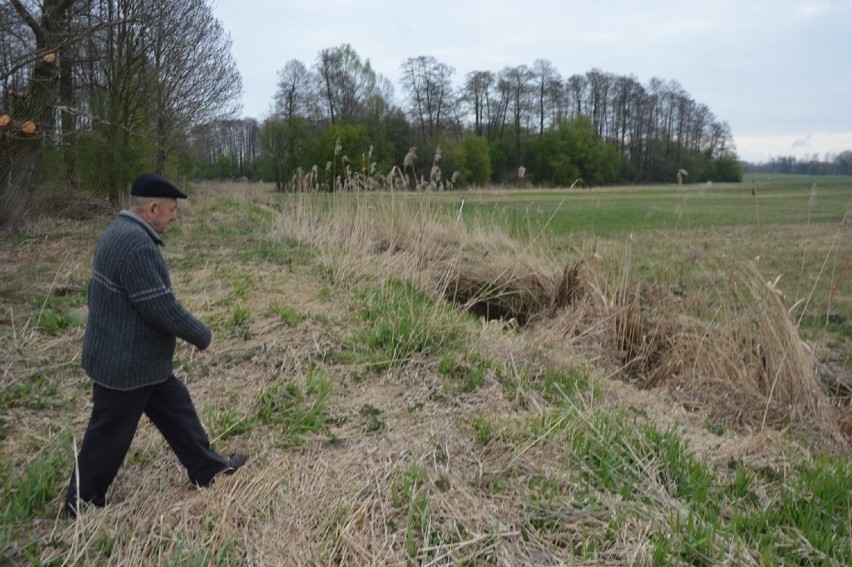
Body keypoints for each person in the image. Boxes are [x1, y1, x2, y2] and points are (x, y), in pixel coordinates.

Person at [64, 172, 246, 518]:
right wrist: (201, 334)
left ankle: (207, 469)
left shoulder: (119, 232)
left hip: (136, 360)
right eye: (172, 210)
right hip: (126, 364)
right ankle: (82, 502)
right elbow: (161, 307)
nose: (175, 216)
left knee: (177, 409)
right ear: (152, 208)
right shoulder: (136, 246)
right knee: (109, 435)